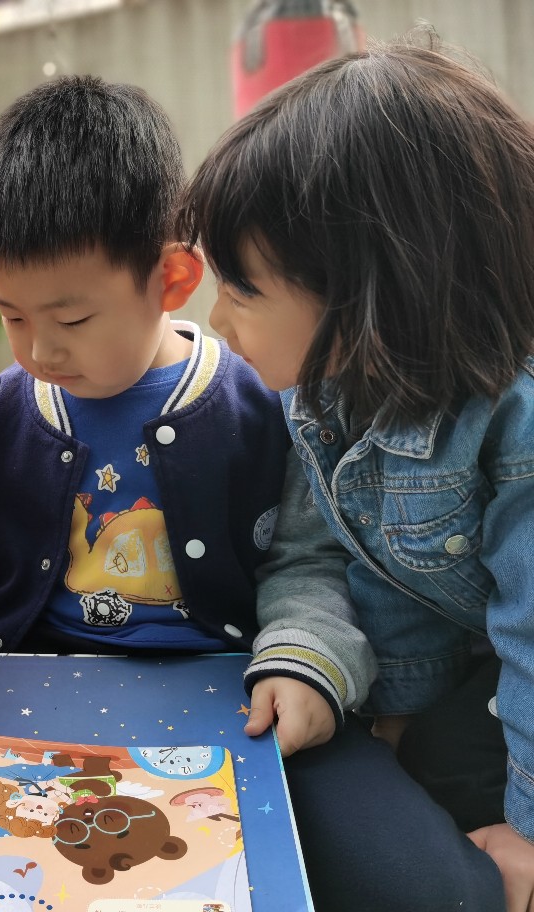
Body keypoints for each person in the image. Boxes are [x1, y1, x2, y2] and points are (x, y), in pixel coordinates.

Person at [0, 75, 505, 911]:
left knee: (428, 888)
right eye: (12, 316)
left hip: (242, 695)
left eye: (71, 320)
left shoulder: (261, 405)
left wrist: (306, 664)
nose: (39, 351)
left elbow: (307, 563)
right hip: (30, 692)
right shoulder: (2, 416)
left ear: (170, 278)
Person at [178, 35, 532, 912]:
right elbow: (376, 561)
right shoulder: (330, 389)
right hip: (469, 672)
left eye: (243, 290)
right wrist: (395, 711)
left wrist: (528, 833)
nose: (216, 319)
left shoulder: (515, 420)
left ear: (369, 291)